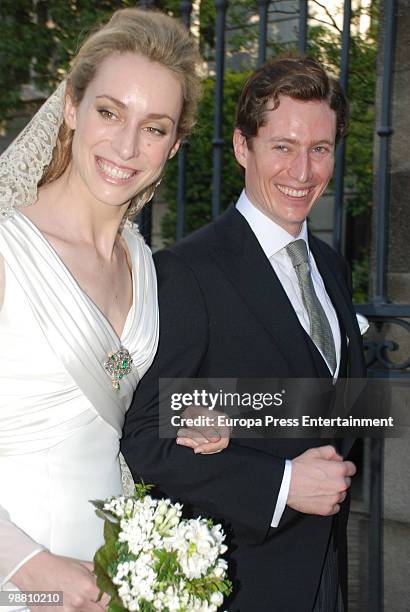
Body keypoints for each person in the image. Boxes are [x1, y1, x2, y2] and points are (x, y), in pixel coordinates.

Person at [121, 56, 366, 611]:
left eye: (320, 149)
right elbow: (144, 437)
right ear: (241, 147)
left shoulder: (330, 266)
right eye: (282, 146)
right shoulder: (187, 272)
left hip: (326, 571)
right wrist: (281, 485)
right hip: (241, 582)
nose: (303, 172)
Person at [0, 8, 225, 611]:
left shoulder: (145, 268)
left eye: (154, 128)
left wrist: (184, 414)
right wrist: (30, 566)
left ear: (174, 146)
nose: (126, 146)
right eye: (109, 111)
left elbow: (112, 400)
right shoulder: (5, 250)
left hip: (111, 581)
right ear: (72, 108)